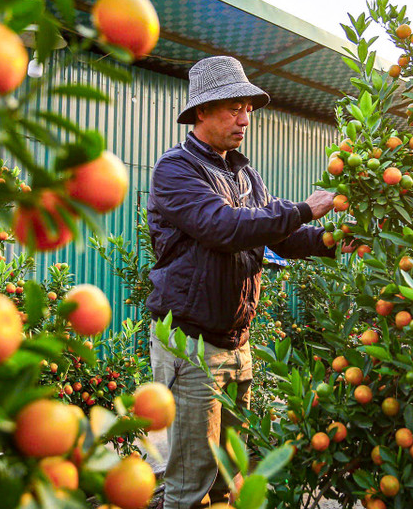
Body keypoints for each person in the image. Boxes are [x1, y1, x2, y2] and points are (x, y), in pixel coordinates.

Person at [146, 55, 348, 508]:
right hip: (191, 344)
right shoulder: (176, 170)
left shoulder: (244, 173)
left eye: (249, 109)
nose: (245, 119)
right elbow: (223, 226)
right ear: (202, 111)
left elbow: (282, 233)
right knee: (190, 481)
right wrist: (304, 208)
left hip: (237, 342)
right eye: (234, 108)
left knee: (229, 474)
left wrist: (334, 240)